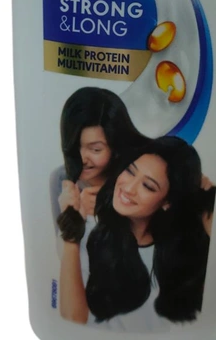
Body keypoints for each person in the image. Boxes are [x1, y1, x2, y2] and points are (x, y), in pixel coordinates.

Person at [58, 136, 216, 331]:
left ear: (167, 202)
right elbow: (73, 317)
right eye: (130, 171)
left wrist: (208, 199)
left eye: (147, 186)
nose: (128, 188)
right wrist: (71, 232)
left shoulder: (184, 252)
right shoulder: (88, 230)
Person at [50, 87, 147, 243]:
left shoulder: (136, 175)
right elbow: (63, 252)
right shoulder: (62, 179)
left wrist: (108, 213)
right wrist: (75, 217)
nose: (82, 159)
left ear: (115, 146)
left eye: (95, 149)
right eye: (75, 146)